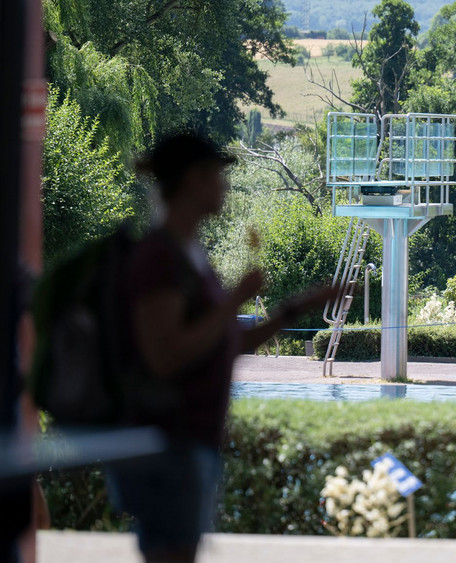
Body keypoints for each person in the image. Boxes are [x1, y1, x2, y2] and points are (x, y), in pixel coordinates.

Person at [106, 132, 340, 563]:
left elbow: (227, 343)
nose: (225, 186)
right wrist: (234, 301)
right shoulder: (160, 258)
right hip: (168, 445)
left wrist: (296, 307)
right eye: (217, 175)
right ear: (192, 180)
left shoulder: (189, 256)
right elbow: (165, 356)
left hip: (191, 442)